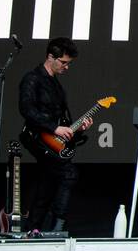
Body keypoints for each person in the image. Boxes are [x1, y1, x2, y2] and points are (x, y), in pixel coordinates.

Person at [18, 37, 91, 232]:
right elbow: (27, 109)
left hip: (52, 140)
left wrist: (78, 128)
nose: (66, 67)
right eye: (64, 62)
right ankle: (57, 226)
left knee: (48, 181)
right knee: (67, 173)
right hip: (36, 137)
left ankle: (33, 228)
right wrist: (53, 128)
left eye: (69, 63)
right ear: (51, 57)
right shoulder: (32, 79)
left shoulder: (57, 86)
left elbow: (62, 121)